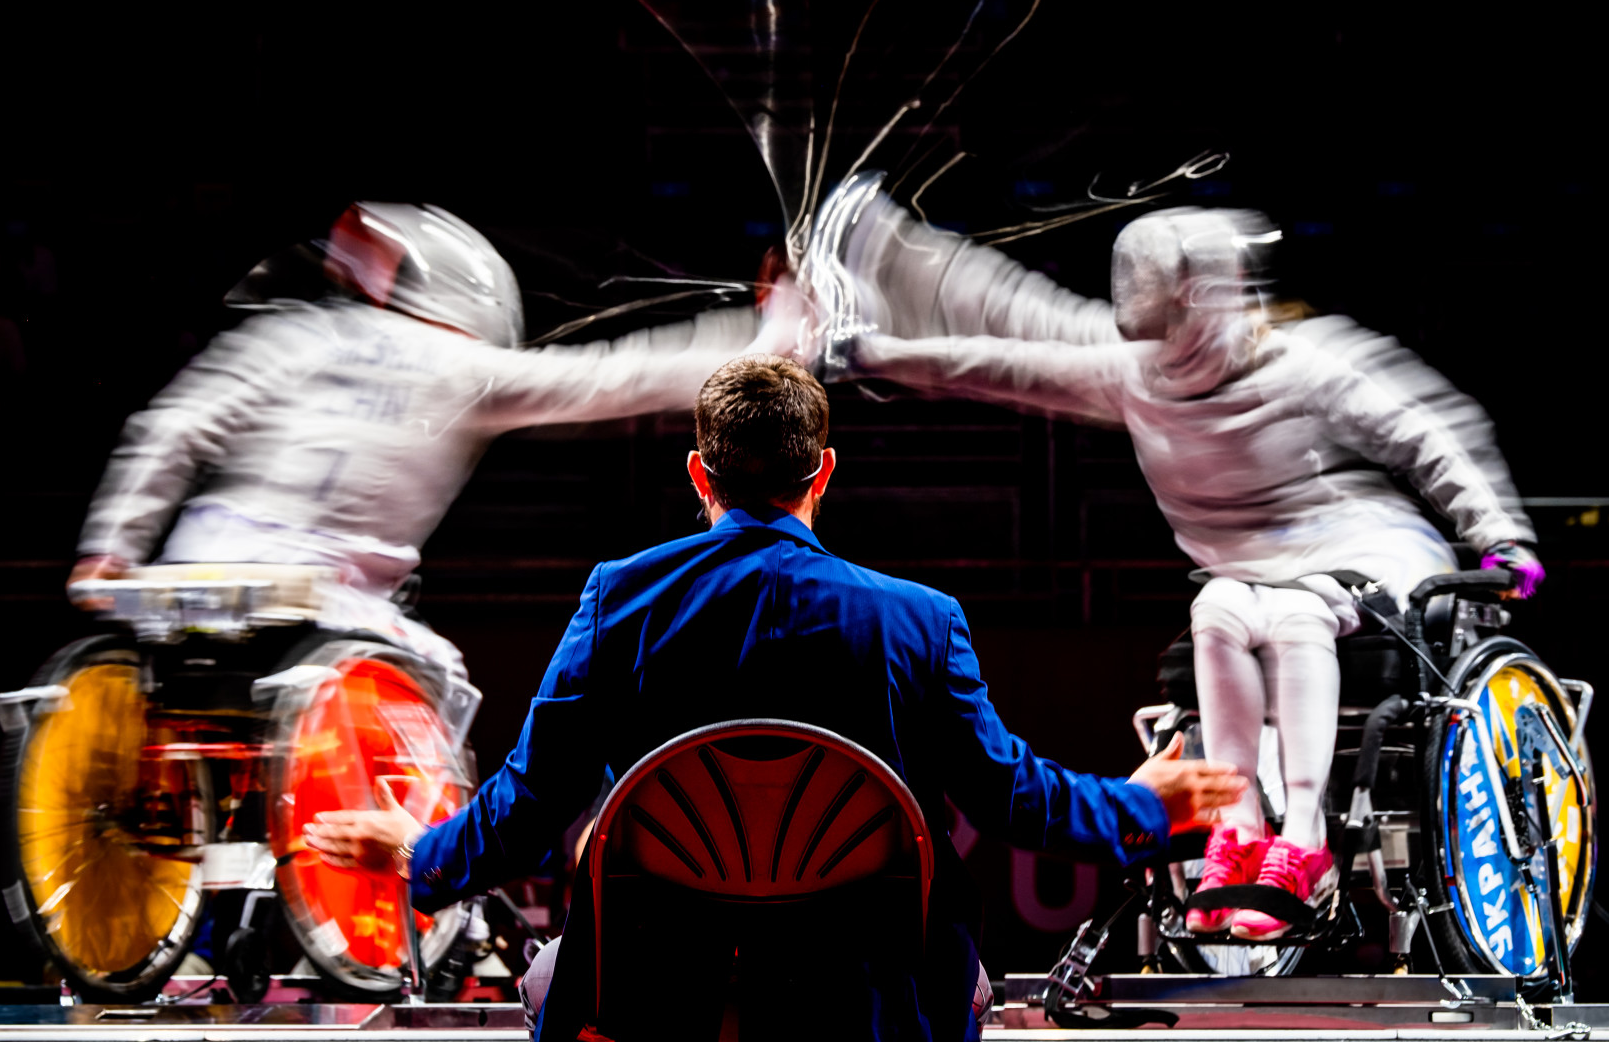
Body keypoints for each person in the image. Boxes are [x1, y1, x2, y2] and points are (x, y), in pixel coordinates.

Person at [305, 354, 1246, 1041]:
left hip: (656, 1003)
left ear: (698, 475)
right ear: (823, 472)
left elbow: (529, 800)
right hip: (870, 1010)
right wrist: (1142, 805)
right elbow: (1011, 797)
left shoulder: (617, 599)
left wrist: (422, 856)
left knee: (556, 985)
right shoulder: (920, 621)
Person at [778, 177, 1542, 940]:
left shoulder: (1308, 361)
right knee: (1216, 610)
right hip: (1245, 573)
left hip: (1364, 547)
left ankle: (1305, 837)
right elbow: (995, 364)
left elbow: (1425, 434)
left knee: (1294, 610)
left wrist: (1501, 532)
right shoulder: (1136, 371)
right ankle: (1239, 833)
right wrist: (863, 351)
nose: (1175, 348)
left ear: (1213, 295)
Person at [68, 202, 770, 734]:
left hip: (200, 577)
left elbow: (172, 428)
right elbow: (620, 377)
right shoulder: (462, 365)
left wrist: (110, 548)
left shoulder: (285, 335)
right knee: (437, 696)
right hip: (334, 611)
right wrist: (773, 338)